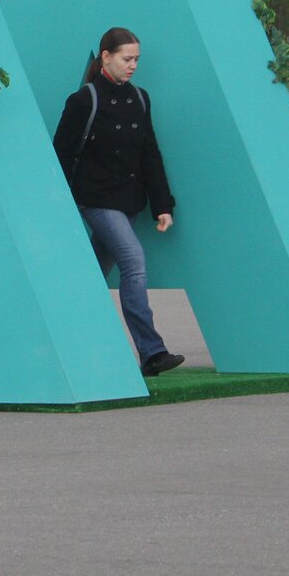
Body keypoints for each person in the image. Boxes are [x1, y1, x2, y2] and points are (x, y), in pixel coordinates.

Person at [52, 27, 184, 378]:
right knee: (134, 260)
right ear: (106, 57)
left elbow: (149, 153)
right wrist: (58, 207)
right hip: (95, 198)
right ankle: (152, 351)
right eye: (127, 58)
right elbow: (61, 154)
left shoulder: (140, 98)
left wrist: (162, 204)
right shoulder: (83, 100)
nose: (133, 65)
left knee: (91, 276)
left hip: (129, 202)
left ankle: (61, 339)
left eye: (137, 59)